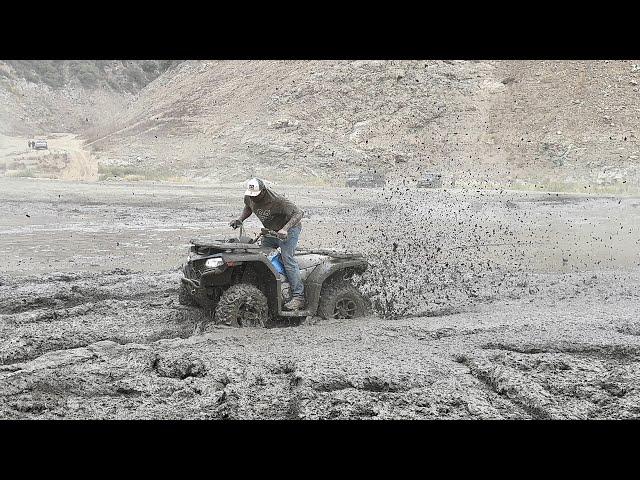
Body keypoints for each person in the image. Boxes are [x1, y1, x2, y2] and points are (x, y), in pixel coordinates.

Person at [230, 178, 305, 310]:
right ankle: (269, 287)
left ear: (263, 191)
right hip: (270, 231)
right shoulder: (249, 196)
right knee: (261, 257)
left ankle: (298, 297)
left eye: (256, 195)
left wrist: (285, 229)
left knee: (287, 258)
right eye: (251, 195)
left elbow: (299, 213)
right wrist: (240, 219)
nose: (253, 198)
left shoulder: (278, 201)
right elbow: (249, 207)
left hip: (289, 230)